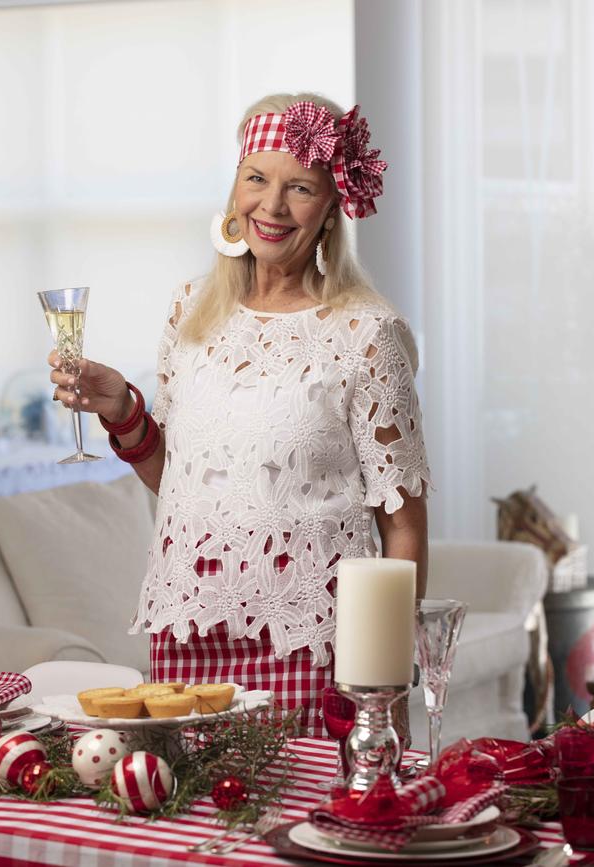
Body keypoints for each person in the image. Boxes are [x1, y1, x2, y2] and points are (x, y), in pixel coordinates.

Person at [49, 92, 431, 736]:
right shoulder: (191, 311)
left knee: (297, 825)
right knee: (191, 830)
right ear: (234, 190)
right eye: (256, 179)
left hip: (311, 640)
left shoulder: (367, 331)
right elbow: (178, 474)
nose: (272, 206)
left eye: (300, 187)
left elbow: (404, 525)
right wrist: (121, 410)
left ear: (333, 208)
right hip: (187, 626)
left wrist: (387, 682)